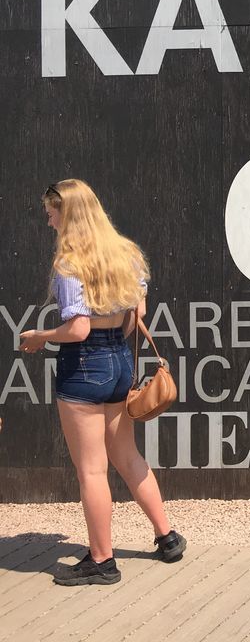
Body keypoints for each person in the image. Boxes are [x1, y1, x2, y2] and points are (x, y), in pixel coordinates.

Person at [19, 179, 186, 586]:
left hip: (84, 366)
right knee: (127, 457)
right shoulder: (126, 254)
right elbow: (137, 314)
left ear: (69, 213)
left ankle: (102, 561)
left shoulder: (70, 264)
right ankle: (167, 537)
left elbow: (76, 330)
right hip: (117, 360)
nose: (48, 221)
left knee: (92, 471)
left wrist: (40, 337)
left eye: (52, 213)